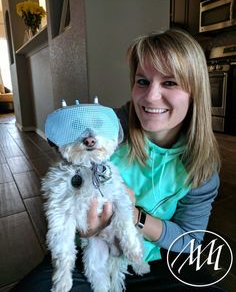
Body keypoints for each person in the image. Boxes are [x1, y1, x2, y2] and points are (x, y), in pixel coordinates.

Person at [11, 29, 225, 292]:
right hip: (86, 257)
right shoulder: (104, 131)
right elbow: (61, 200)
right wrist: (86, 230)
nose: (150, 96)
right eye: (143, 82)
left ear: (196, 91)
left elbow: (190, 241)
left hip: (155, 265)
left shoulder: (201, 164)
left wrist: (134, 216)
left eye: (170, 83)